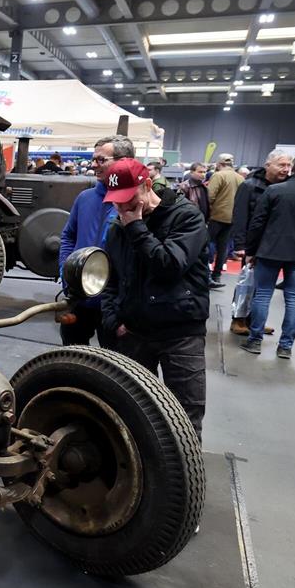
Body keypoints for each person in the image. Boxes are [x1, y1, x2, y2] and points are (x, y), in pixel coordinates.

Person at [101, 158, 210, 442]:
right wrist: (114, 321)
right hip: (135, 333)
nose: (123, 207)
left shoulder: (186, 217)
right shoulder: (118, 228)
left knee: (186, 416)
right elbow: (111, 278)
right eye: (117, 201)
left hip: (180, 333)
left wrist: (136, 227)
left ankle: (185, 482)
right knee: (135, 412)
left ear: (147, 185)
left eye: (129, 199)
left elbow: (170, 265)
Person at [241, 153, 295, 359]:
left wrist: (250, 251)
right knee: (294, 298)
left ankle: (254, 341)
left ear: (293, 168)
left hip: (269, 251)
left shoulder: (274, 190)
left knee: (262, 295)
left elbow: (257, 223)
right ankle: (285, 346)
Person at [56, 135, 134, 347]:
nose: (94, 165)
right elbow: (68, 236)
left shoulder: (134, 201)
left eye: (101, 160)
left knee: (113, 366)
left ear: (123, 162)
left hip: (114, 304)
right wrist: (66, 272)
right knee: (72, 355)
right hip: (79, 296)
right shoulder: (85, 198)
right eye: (94, 159)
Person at [228, 150, 292, 335]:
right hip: (252, 244)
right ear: (268, 165)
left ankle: (255, 321)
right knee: (246, 283)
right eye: (281, 165)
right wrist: (240, 245)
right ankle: (238, 319)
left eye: (288, 165)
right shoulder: (249, 186)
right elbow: (240, 217)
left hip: (274, 246)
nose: (286, 169)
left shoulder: (287, 187)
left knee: (264, 287)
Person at [205, 153, 243, 288]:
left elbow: (209, 196)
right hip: (233, 217)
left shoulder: (218, 175)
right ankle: (217, 275)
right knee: (223, 247)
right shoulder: (240, 178)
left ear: (219, 164)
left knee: (206, 244)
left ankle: (206, 275)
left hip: (216, 216)